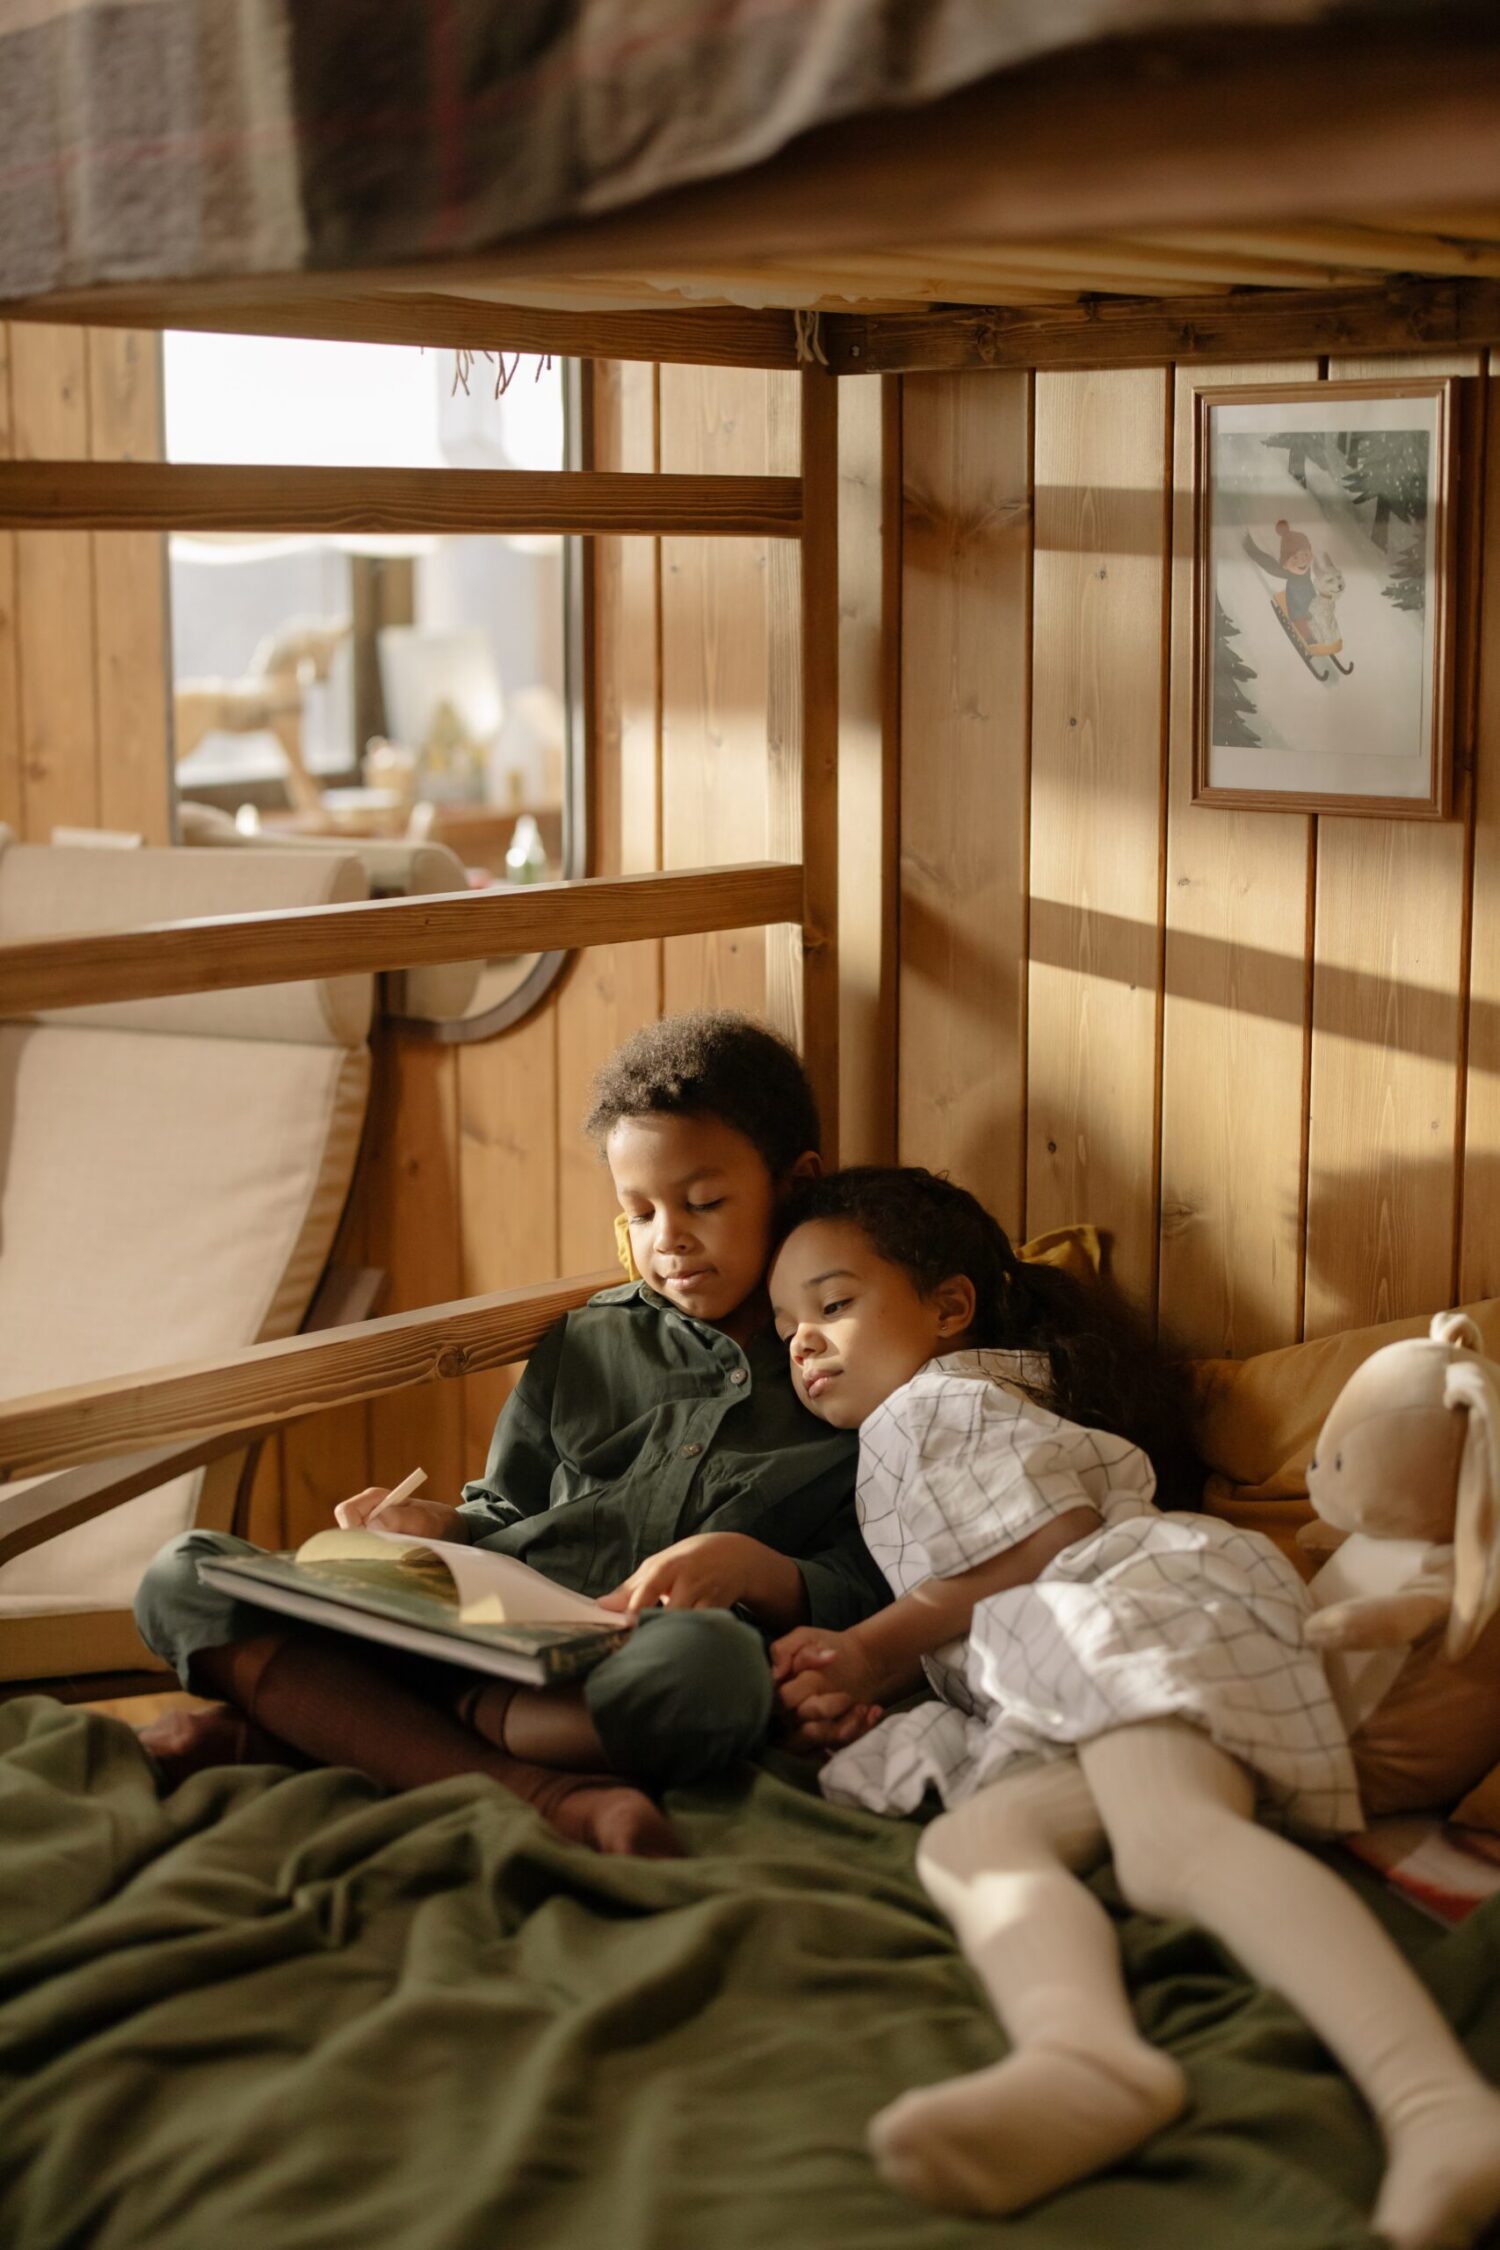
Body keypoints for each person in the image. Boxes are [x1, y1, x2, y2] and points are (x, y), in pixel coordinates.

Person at [765, 1168, 1500, 2250]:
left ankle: (1440, 2107)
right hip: (1074, 1656)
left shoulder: (937, 1404)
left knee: (1169, 1847)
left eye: (833, 1305)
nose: (803, 1341)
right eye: (784, 1325)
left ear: (950, 1308)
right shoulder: (928, 1425)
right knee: (976, 1844)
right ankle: (1084, 2057)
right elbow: (986, 1594)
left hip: (1130, 1602)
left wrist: (875, 1643)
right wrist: (876, 1679)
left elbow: (1050, 1543)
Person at [134, 1013, 887, 1859]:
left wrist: (764, 1573)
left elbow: (874, 1583)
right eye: (638, 1214)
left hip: (631, 1668)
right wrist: (440, 1530)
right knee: (184, 1574)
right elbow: (503, 1511)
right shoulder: (584, 1343)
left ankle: (323, 1729)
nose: (667, 1240)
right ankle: (545, 1795)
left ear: (794, 1184)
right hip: (490, 1630)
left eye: (703, 1203)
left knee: (709, 1673)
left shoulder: (852, 1369)